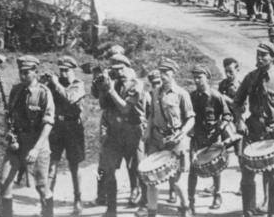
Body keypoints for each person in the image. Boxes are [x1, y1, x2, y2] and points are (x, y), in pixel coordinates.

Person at [233, 43, 274, 217]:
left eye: (263, 55)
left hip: (273, 131)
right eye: (257, 55)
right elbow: (236, 102)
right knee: (247, 174)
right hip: (252, 130)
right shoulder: (250, 77)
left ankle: (273, 213)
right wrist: (239, 120)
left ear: (272, 57)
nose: (259, 59)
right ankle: (248, 211)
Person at [0, 55, 55, 217]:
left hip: (37, 143)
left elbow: (48, 123)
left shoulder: (44, 93)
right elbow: (8, 115)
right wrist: (8, 132)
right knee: (5, 183)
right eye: (20, 72)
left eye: (26, 73)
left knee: (42, 187)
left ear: (35, 72)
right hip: (16, 143)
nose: (22, 76)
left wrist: (36, 149)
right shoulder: (16, 91)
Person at [94, 53, 146, 217]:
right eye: (114, 69)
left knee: (140, 170)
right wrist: (103, 88)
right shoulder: (113, 83)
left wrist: (110, 90)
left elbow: (125, 108)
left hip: (133, 132)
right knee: (109, 171)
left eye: (121, 69)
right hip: (115, 133)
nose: (118, 72)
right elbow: (103, 105)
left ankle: (144, 204)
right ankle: (111, 208)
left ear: (128, 67)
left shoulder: (136, 84)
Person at [144, 58, 195, 217]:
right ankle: (152, 212)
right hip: (156, 139)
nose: (163, 75)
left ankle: (185, 207)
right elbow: (152, 114)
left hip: (175, 140)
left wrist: (183, 132)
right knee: (152, 180)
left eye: (166, 72)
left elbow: (191, 117)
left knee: (178, 181)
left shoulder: (182, 94)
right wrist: (147, 132)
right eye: (161, 71)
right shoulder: (154, 92)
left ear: (173, 73)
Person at [187, 65, 232, 213]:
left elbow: (227, 115)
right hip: (197, 138)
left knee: (215, 169)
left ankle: (217, 195)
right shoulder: (191, 97)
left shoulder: (216, 96)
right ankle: (191, 201)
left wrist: (222, 126)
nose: (196, 80)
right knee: (193, 170)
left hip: (213, 137)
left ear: (207, 78)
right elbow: (186, 116)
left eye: (199, 77)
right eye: (195, 77)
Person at [46, 56, 87, 215]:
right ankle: (47, 202)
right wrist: (45, 83)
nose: (63, 73)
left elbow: (70, 98)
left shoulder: (78, 84)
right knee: (52, 165)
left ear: (73, 70)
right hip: (57, 127)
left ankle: (78, 199)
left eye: (66, 70)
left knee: (74, 165)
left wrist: (55, 84)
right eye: (61, 70)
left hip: (73, 128)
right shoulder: (56, 84)